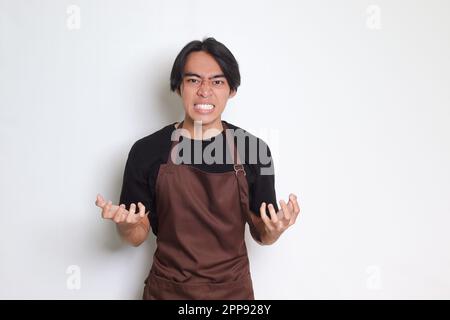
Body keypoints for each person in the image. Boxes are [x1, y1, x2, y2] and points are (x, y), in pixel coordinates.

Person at [95, 37, 300, 300]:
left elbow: (263, 233)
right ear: (179, 87)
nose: (205, 91)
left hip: (233, 295)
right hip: (167, 292)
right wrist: (125, 226)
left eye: (217, 81)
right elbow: (136, 235)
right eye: (193, 80)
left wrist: (273, 230)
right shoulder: (146, 151)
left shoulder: (254, 150)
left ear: (232, 89)